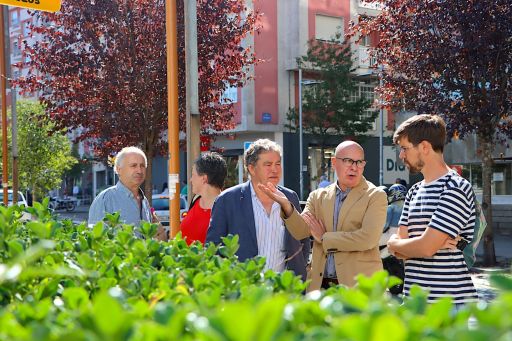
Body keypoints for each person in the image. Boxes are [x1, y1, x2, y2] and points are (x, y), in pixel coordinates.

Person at [260, 140, 387, 291]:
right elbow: (301, 231)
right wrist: (287, 205)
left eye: (359, 162)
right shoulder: (318, 196)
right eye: (348, 161)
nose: (354, 167)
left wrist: (324, 238)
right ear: (334, 162)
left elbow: (368, 239)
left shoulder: (375, 195)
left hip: (359, 288)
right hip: (320, 286)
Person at [387, 114, 478, 305]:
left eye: (404, 148)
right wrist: (399, 245)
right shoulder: (414, 191)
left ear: (425, 147)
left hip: (448, 307)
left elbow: (425, 248)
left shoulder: (455, 188)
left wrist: (410, 245)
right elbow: (398, 248)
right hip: (413, 303)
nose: (401, 155)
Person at [206, 139, 310, 281]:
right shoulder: (228, 200)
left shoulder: (290, 197)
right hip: (245, 291)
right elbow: (213, 249)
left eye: (278, 164)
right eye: (268, 164)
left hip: (285, 291)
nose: (275, 169)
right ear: (251, 168)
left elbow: (302, 241)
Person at [88, 146, 152, 230]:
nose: (139, 171)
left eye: (142, 166)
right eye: (133, 166)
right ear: (119, 169)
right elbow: (95, 237)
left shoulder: (144, 201)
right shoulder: (106, 199)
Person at [180, 152, 227, 245]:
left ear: (204, 178)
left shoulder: (226, 209)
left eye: (193, 175)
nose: (190, 180)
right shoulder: (195, 200)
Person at [380, 184, 407, 295]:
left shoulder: (390, 208)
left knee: (371, 244)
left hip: (390, 235)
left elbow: (384, 225)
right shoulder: (408, 205)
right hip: (404, 234)